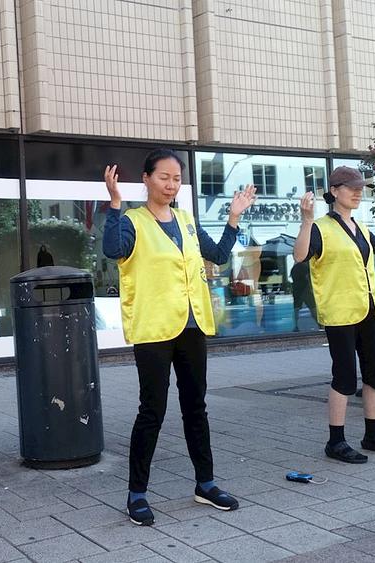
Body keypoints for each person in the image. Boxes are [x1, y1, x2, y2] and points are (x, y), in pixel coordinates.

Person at [103, 149, 256, 526]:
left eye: (176, 179)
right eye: (164, 177)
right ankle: (136, 493)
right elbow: (112, 250)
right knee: (151, 411)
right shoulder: (133, 222)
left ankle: (205, 484)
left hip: (191, 327)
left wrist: (234, 215)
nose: (171, 185)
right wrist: (115, 204)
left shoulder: (186, 220)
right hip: (154, 330)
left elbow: (218, 254)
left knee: (196, 408)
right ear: (146, 179)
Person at [293, 166, 375, 464]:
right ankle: (336, 441)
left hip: (368, 310)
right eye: (351, 187)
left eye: (361, 187)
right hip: (340, 313)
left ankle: (373, 435)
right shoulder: (320, 227)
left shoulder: (361, 227)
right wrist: (306, 221)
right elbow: (300, 255)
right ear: (333, 192)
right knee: (344, 377)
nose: (358, 192)